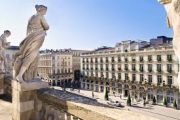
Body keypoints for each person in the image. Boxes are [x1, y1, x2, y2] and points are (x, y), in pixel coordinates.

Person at [14, 5, 49, 82]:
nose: (45, 12)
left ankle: (34, 75)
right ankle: (20, 75)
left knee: (36, 57)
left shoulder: (31, 18)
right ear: (41, 10)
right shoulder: (40, 16)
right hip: (36, 39)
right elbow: (47, 27)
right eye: (45, 11)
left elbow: (28, 30)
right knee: (31, 57)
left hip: (30, 38)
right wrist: (42, 30)